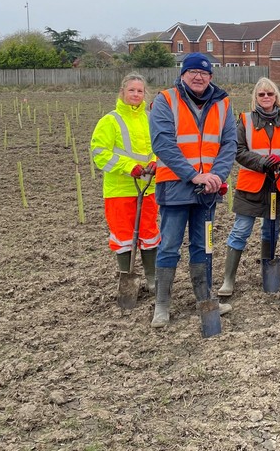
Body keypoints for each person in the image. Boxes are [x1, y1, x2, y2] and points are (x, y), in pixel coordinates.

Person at [148, 53, 237, 328]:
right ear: (183, 74)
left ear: (211, 76)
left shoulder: (223, 103)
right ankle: (162, 304)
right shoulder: (166, 100)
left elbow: (229, 143)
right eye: (192, 72)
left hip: (208, 190)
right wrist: (194, 176)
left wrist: (215, 176)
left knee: (203, 245)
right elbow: (163, 144)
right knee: (170, 246)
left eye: (204, 72)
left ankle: (204, 299)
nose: (198, 77)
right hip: (175, 187)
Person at [218, 78, 280, 297]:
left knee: (272, 230)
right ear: (255, 97)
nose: (266, 98)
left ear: (276, 97)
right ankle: (228, 279)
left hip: (278, 185)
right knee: (240, 230)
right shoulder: (244, 120)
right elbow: (238, 150)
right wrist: (261, 162)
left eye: (269, 94)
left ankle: (268, 272)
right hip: (251, 186)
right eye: (261, 94)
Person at [90, 73, 160, 296]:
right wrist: (129, 167)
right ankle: (126, 278)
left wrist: (154, 163)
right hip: (119, 189)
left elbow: (160, 147)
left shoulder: (150, 118)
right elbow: (100, 154)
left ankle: (152, 278)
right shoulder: (110, 121)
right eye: (132, 90)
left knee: (149, 234)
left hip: (148, 186)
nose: (136, 94)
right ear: (122, 92)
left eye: (140, 91)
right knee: (122, 236)